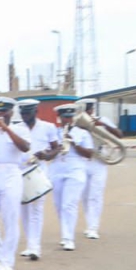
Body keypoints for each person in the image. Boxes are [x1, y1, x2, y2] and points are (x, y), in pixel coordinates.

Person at [0, 97, 31, 270]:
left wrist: (6, 129)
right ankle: (0, 256)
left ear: (12, 112)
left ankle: (7, 261)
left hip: (11, 173)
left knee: (10, 218)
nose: (0, 114)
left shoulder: (20, 128)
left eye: (4, 111)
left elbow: (25, 147)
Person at [16, 99, 59, 261]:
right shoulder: (17, 128)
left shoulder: (48, 127)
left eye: (28, 112)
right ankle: (30, 244)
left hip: (39, 170)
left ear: (35, 112)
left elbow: (56, 148)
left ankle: (35, 246)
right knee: (24, 211)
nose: (25, 116)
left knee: (36, 208)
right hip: (20, 171)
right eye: (22, 113)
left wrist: (46, 155)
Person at [49, 103, 93, 251]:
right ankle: (65, 233)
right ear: (59, 118)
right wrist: (57, 147)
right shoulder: (54, 132)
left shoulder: (82, 133)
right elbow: (49, 154)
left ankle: (68, 238)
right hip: (57, 167)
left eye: (70, 117)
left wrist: (74, 144)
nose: (67, 120)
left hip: (75, 169)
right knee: (59, 205)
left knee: (69, 204)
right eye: (64, 117)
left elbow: (89, 154)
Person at [79, 99, 123, 239]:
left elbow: (119, 134)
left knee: (95, 195)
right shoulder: (78, 122)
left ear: (92, 109)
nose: (87, 112)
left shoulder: (102, 120)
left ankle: (93, 227)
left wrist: (102, 125)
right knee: (84, 196)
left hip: (99, 161)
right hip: (83, 160)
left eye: (88, 109)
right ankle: (89, 224)